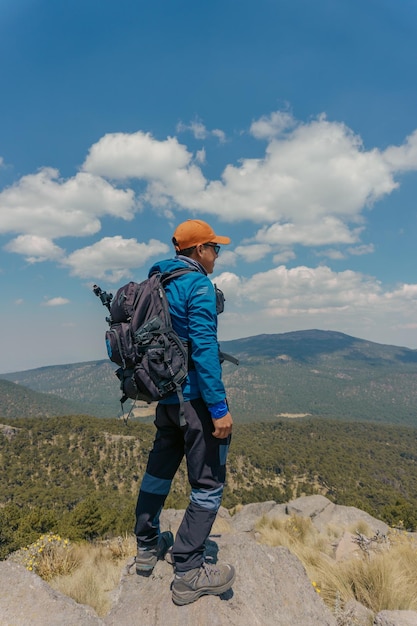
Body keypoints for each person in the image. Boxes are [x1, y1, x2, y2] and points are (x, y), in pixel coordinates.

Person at [134, 218, 235, 606]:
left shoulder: (158, 283)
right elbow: (205, 351)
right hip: (195, 401)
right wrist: (219, 409)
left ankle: (146, 546)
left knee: (158, 473)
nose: (217, 255)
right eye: (214, 248)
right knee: (208, 484)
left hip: (167, 400)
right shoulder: (198, 286)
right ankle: (189, 570)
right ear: (197, 251)